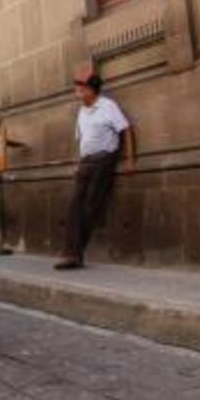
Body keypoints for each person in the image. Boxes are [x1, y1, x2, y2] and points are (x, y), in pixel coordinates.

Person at [55, 70, 135, 270]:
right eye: (78, 87)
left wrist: (130, 161)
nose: (78, 90)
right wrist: (80, 161)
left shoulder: (108, 106)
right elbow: (82, 138)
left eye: (82, 87)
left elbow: (126, 129)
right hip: (85, 162)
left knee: (90, 206)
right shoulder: (82, 111)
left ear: (92, 89)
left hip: (104, 160)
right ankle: (71, 253)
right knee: (74, 206)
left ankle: (73, 254)